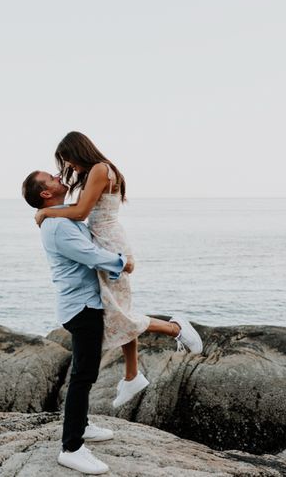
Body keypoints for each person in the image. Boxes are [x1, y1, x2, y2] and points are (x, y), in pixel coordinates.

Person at [34, 131, 203, 409]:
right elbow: (79, 208)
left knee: (119, 312)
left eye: (69, 161)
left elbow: (79, 213)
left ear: (79, 152)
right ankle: (132, 376)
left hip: (109, 243)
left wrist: (45, 213)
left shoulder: (100, 169)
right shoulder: (97, 171)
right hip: (104, 239)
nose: (70, 168)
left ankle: (175, 329)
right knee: (118, 309)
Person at [22, 169, 134, 475]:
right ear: (46, 193)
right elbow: (89, 254)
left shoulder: (60, 217)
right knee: (83, 376)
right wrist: (123, 263)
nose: (60, 177)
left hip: (84, 303)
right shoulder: (58, 226)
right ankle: (71, 448)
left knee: (86, 373)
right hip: (82, 307)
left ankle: (81, 425)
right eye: (53, 179)